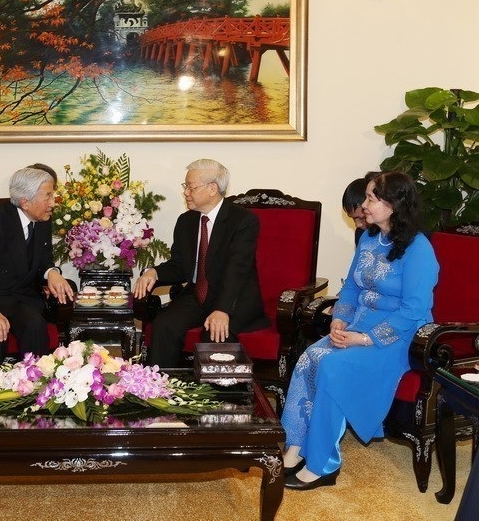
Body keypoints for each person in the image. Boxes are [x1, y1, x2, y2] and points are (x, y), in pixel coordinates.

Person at [281, 171, 439, 490]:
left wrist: (365, 338)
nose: (364, 205)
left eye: (370, 198)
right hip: (358, 325)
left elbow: (414, 309)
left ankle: (323, 464)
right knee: (309, 358)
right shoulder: (369, 238)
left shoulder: (418, 249)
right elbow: (352, 288)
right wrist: (340, 319)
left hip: (398, 336)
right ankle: (294, 448)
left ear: (393, 205)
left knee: (332, 366)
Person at [133, 159, 269, 368]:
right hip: (198, 295)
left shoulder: (243, 221)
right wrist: (154, 273)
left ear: (212, 188)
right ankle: (160, 385)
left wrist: (222, 309)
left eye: (191, 187)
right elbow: (179, 266)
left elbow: (237, 271)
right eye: (185, 186)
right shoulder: (186, 221)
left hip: (234, 298)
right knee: (164, 325)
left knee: (215, 333)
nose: (186, 192)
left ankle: (214, 390)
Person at [0, 166, 74, 369]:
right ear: (25, 202)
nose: (53, 203)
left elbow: (44, 259)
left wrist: (52, 273)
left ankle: (35, 380)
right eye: (47, 196)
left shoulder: (43, 220)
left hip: (19, 298)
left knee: (35, 325)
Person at [342, 171, 378, 245]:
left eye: (363, 218)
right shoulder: (361, 234)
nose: (358, 225)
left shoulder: (395, 236)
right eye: (354, 219)